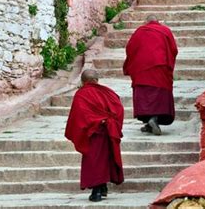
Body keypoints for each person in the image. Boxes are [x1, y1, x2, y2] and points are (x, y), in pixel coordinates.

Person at [65, 69, 125, 202]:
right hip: (109, 131)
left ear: (83, 81)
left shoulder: (81, 94)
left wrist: (94, 122)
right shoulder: (108, 92)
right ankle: (103, 187)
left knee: (95, 161)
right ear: (97, 80)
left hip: (93, 133)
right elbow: (119, 109)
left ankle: (96, 192)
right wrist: (112, 123)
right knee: (106, 159)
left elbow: (79, 116)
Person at [123, 15, 178, 135]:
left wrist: (133, 63)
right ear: (158, 21)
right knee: (159, 96)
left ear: (146, 22)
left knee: (144, 96)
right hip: (160, 67)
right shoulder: (165, 31)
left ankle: (150, 121)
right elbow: (173, 49)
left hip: (142, 68)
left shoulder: (140, 31)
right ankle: (153, 121)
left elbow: (130, 48)